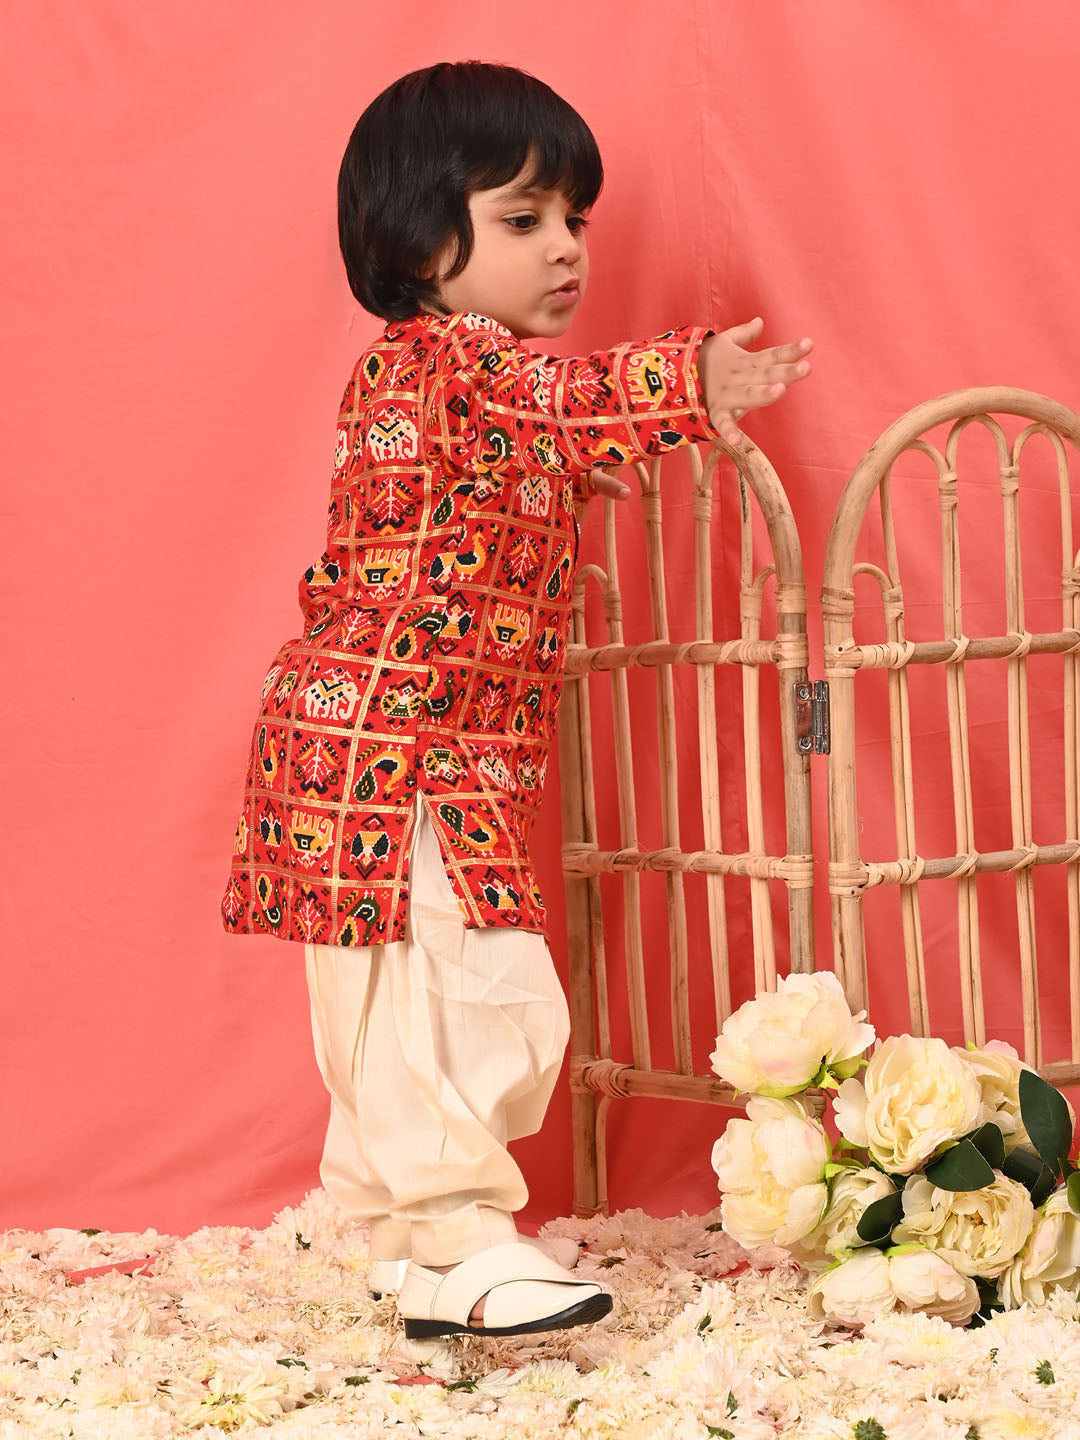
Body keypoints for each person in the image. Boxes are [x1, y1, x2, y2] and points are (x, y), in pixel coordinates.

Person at [219, 60, 813, 1341]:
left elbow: (512, 446)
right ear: (420, 242)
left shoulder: (451, 384)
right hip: (393, 740)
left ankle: (412, 1247)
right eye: (525, 218)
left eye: (575, 219)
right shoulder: (454, 359)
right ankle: (455, 1236)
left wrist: (569, 470)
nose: (567, 248)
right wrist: (690, 376)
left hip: (406, 743)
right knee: (456, 983)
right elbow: (550, 400)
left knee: (406, 992)